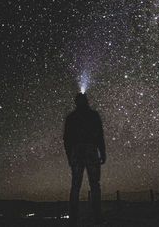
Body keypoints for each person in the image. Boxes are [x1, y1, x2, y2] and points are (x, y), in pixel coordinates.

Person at [63, 93, 106, 226]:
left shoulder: (71, 117)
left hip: (77, 151)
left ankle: (73, 220)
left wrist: (70, 156)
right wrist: (102, 152)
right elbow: (100, 135)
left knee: (75, 186)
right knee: (95, 185)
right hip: (91, 150)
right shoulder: (93, 115)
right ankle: (97, 218)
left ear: (76, 102)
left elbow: (66, 139)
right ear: (86, 101)